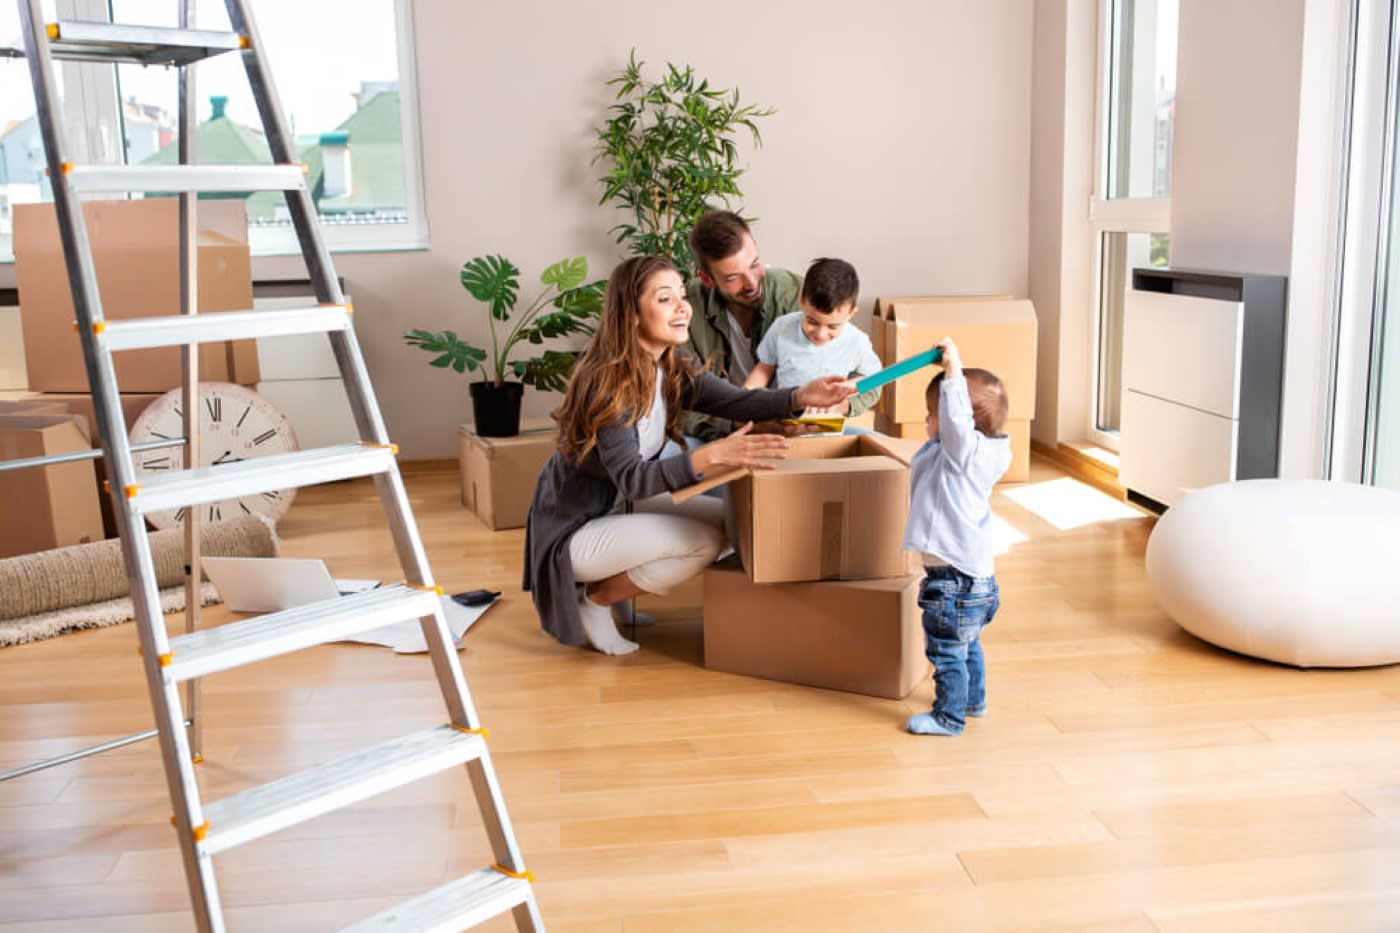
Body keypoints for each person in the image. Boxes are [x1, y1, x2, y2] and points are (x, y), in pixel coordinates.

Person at [523, 254, 857, 655]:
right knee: (700, 541)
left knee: (733, 523)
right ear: (630, 313)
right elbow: (633, 478)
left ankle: (613, 591)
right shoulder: (610, 384)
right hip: (573, 527)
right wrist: (715, 453)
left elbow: (734, 401)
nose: (683, 307)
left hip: (617, 505)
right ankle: (595, 600)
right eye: (666, 299)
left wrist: (801, 396)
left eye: (682, 295)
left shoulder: (666, 362)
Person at [902, 337, 1011, 736]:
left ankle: (949, 717)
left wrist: (953, 372)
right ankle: (973, 700)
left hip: (954, 582)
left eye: (932, 415)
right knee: (969, 646)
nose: (929, 422)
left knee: (946, 651)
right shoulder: (989, 451)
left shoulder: (962, 453)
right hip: (978, 579)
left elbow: (956, 426)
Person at [681, 210, 805, 442]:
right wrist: (733, 424)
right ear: (707, 279)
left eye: (754, 264)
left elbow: (857, 373)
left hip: (793, 430)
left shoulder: (796, 293)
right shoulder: (684, 310)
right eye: (732, 277)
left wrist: (844, 404)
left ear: (755, 246)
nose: (751, 283)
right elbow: (676, 401)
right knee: (676, 464)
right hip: (717, 434)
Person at [741, 257, 882, 424]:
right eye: (812, 321)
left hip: (828, 428)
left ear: (851, 313)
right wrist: (744, 401)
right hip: (786, 425)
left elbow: (873, 380)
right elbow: (764, 369)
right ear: (801, 301)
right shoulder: (782, 328)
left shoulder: (857, 341)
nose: (821, 334)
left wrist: (843, 401)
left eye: (833, 327)